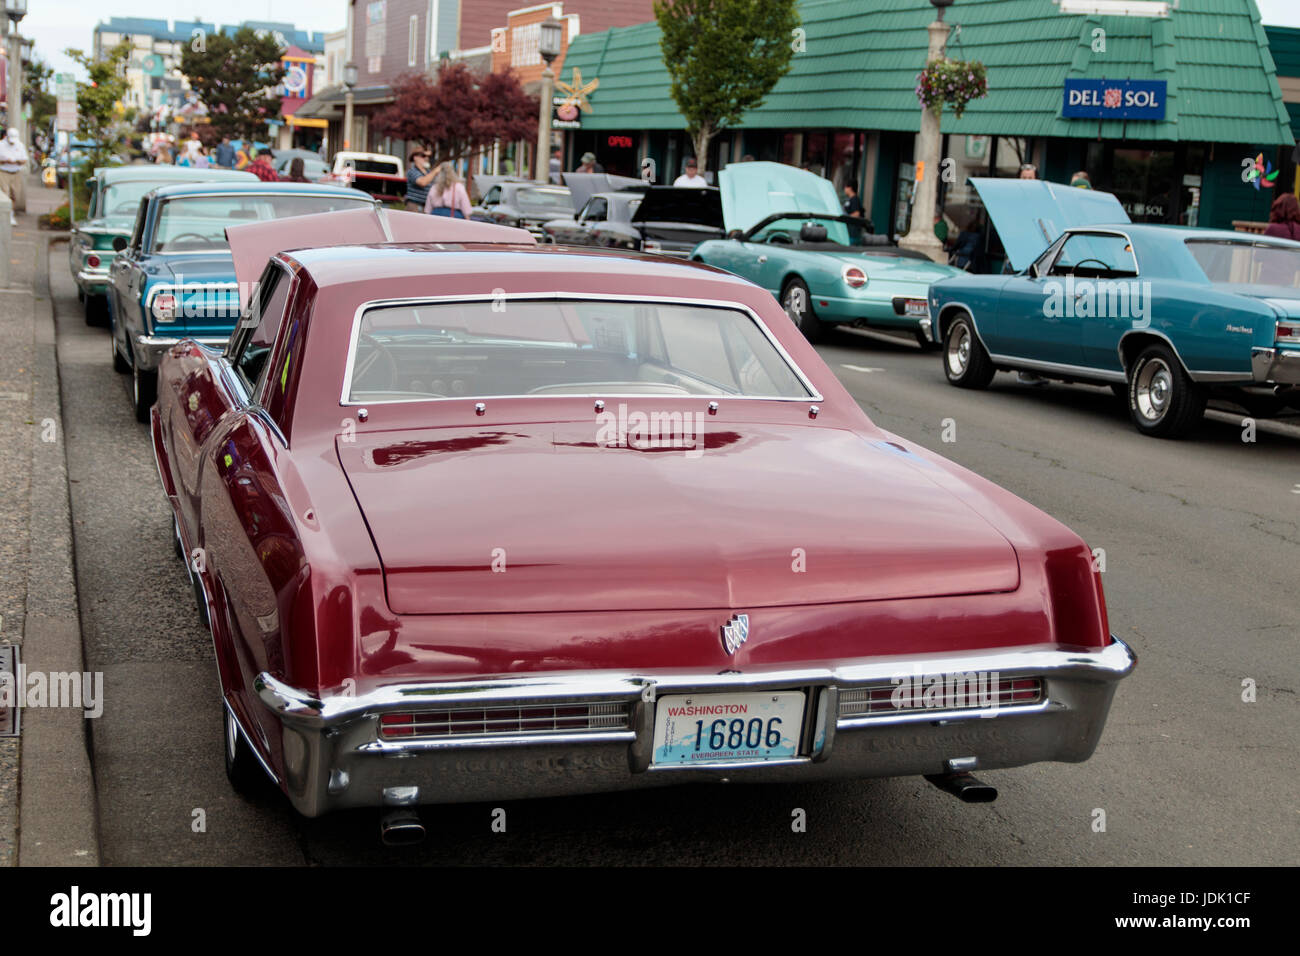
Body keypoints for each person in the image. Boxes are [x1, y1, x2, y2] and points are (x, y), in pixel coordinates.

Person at [0, 128, 27, 225]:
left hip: (16, 172)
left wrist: (17, 161)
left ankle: (11, 213)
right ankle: (6, 215)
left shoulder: (20, 145)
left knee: (15, 194)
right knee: (5, 193)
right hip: (4, 171)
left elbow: (24, 160)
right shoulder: (1, 145)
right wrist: (5, 161)